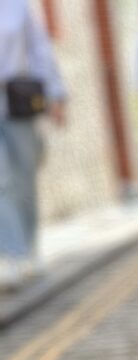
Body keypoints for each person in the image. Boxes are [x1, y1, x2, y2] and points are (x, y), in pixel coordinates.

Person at [0, 0, 66, 290]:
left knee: (24, 177)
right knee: (2, 182)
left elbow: (40, 50)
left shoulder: (16, 6)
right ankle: (12, 256)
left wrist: (56, 94)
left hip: (17, 100)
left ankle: (31, 246)